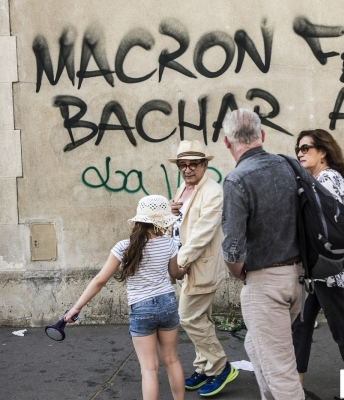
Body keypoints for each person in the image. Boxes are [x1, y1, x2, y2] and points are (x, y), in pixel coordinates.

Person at [64, 195, 187, 400]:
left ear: (139, 219)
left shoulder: (124, 247)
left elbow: (99, 280)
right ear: (161, 221)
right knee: (172, 360)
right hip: (167, 303)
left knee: (149, 369)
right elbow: (175, 274)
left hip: (141, 308)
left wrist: (76, 308)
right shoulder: (169, 245)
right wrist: (185, 269)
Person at [221, 108, 306, 399]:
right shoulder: (290, 166)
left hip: (264, 283)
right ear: (263, 135)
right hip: (297, 278)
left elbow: (233, 247)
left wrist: (238, 271)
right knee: (257, 350)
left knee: (281, 370)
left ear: (226, 142)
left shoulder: (237, 179)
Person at [291, 129, 344, 400]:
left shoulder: (327, 178)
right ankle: (295, 387)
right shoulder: (315, 179)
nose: (300, 153)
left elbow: (326, 225)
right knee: (301, 324)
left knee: (339, 326)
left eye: (306, 148)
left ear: (322, 152)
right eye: (298, 149)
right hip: (317, 269)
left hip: (328, 269)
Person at [168, 140, 238, 397]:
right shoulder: (183, 188)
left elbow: (202, 233)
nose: (187, 169)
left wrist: (180, 262)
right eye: (182, 165)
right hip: (185, 265)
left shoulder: (212, 192)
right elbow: (182, 222)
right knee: (201, 319)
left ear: (205, 164)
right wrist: (170, 209)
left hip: (198, 266)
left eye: (193, 164)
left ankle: (220, 367)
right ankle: (204, 367)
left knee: (187, 317)